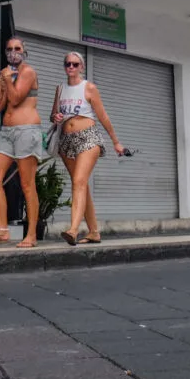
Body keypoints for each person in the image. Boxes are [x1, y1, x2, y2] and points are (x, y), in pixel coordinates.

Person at [54, 51, 125, 246]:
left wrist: (116, 141)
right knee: (81, 185)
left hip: (88, 137)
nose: (71, 67)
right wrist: (56, 117)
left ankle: (73, 230)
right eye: (67, 64)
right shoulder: (60, 89)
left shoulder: (89, 88)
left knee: (79, 181)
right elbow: (54, 114)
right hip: (66, 140)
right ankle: (94, 232)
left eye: (75, 64)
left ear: (82, 67)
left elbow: (103, 116)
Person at [0, 37, 43, 248]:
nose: (13, 52)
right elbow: (0, 105)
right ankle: (3, 230)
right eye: (9, 49)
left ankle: (32, 234)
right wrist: (2, 83)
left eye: (17, 49)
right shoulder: (6, 73)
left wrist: (7, 80)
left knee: (27, 185)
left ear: (24, 52)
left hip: (26, 131)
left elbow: (16, 99)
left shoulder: (28, 72)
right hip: (6, 132)